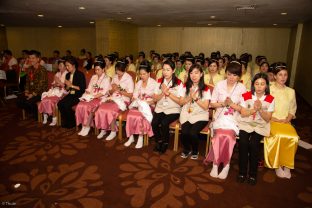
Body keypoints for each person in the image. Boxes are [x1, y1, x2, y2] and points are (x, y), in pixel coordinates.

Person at [204, 61, 246, 179]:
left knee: (227, 136)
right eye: (229, 74)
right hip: (219, 118)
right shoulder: (219, 85)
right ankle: (216, 164)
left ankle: (226, 165)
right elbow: (211, 104)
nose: (231, 77)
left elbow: (243, 109)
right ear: (225, 73)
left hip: (234, 119)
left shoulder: (243, 88)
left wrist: (232, 104)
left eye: (235, 75)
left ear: (239, 76)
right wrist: (223, 104)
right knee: (219, 135)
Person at [237, 73, 274, 185]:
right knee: (243, 142)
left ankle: (253, 174)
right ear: (253, 85)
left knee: (253, 144)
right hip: (246, 123)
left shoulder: (270, 98)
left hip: (260, 125)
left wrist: (260, 110)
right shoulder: (247, 95)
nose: (259, 86)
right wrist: (254, 109)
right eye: (257, 84)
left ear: (266, 86)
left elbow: (267, 118)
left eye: (262, 84)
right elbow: (243, 114)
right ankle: (242, 172)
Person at [264, 62, 299, 179]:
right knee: (279, 136)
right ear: (275, 76)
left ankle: (287, 165)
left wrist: (287, 119)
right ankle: (278, 165)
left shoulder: (291, 91)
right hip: (271, 120)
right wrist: (272, 118)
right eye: (280, 75)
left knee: (293, 138)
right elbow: (265, 106)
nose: (283, 77)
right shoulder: (270, 89)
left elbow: (292, 108)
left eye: (285, 75)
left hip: (285, 121)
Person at [95, 60, 134, 140]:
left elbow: (131, 95)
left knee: (110, 110)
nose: (118, 72)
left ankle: (113, 131)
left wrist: (120, 90)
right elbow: (109, 91)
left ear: (125, 70)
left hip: (123, 100)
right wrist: (113, 89)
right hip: (113, 97)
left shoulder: (128, 78)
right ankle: (103, 129)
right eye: (117, 70)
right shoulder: (115, 77)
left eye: (120, 71)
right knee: (101, 108)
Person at [179, 64, 211, 159]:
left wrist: (196, 98)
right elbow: (181, 102)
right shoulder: (185, 86)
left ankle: (195, 151)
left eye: (196, 73)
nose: (193, 75)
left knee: (193, 133)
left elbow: (205, 107)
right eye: (191, 73)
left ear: (201, 74)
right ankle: (187, 149)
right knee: (184, 132)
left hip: (201, 115)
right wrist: (190, 97)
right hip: (187, 113)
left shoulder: (205, 88)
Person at [152, 59, 184, 154]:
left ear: (173, 70)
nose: (165, 72)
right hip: (160, 107)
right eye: (164, 69)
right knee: (154, 123)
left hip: (174, 109)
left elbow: (180, 102)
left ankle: (165, 143)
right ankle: (159, 141)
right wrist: (163, 93)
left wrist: (168, 93)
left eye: (168, 70)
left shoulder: (179, 83)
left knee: (164, 122)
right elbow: (155, 99)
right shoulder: (159, 81)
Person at [124, 60, 158, 148]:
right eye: (140, 74)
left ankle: (140, 137)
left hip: (149, 105)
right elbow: (134, 96)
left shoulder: (154, 83)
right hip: (139, 104)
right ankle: (131, 137)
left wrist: (146, 102)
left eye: (144, 74)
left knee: (140, 117)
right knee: (130, 114)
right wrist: (137, 101)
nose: (142, 76)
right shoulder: (138, 83)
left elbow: (155, 100)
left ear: (149, 73)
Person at [75, 59, 111, 136]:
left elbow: (103, 92)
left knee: (87, 106)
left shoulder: (107, 78)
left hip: (100, 98)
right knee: (81, 105)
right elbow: (89, 88)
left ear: (103, 69)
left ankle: (87, 126)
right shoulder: (94, 77)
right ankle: (83, 126)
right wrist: (87, 93)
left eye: (98, 69)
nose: (96, 71)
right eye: (95, 70)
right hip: (91, 97)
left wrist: (92, 97)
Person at [16, 50, 48, 120]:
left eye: (33, 58)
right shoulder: (30, 69)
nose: (31, 60)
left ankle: (38, 115)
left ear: (38, 59)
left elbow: (41, 85)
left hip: (41, 92)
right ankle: (33, 112)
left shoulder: (42, 69)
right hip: (31, 91)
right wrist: (27, 91)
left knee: (29, 102)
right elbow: (27, 81)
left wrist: (32, 94)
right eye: (30, 58)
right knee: (19, 100)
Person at [57, 57, 86, 128]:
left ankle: (72, 122)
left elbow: (82, 88)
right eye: (66, 66)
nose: (67, 68)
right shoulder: (67, 75)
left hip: (79, 94)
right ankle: (66, 121)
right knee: (60, 104)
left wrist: (71, 85)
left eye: (68, 66)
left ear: (73, 65)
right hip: (71, 94)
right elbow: (67, 89)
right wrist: (66, 86)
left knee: (66, 105)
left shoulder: (80, 74)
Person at [38, 60, 68, 126]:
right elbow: (53, 84)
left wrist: (59, 83)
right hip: (55, 90)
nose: (60, 67)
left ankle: (54, 118)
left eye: (61, 65)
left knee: (51, 101)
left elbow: (65, 86)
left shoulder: (67, 74)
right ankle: (45, 115)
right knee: (45, 99)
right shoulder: (57, 74)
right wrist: (56, 84)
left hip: (63, 91)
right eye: (59, 65)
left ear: (66, 67)